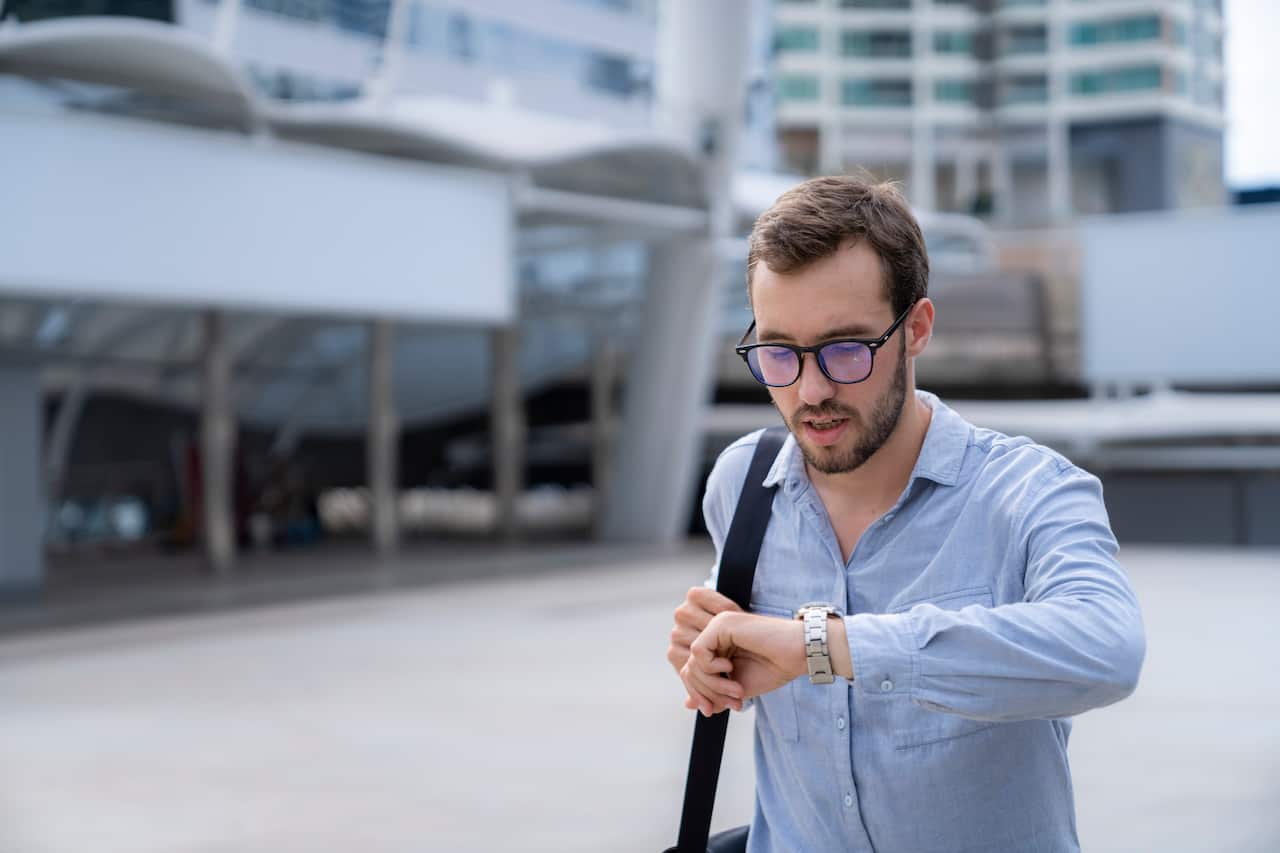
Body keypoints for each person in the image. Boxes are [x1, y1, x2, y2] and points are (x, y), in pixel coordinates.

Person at [667, 174, 1145, 852]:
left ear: (915, 329)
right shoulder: (743, 484)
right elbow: (752, 664)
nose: (811, 389)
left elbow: (1107, 647)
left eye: (845, 349)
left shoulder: (1029, 490)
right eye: (779, 352)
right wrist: (710, 659)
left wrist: (823, 647)